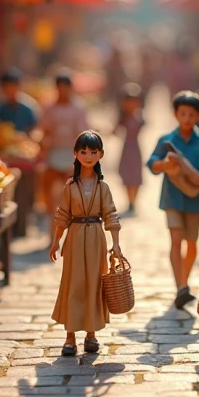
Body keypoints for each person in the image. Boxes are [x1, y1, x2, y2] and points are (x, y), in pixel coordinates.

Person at [49, 131, 122, 356]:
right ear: (75, 154)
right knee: (73, 283)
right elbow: (62, 215)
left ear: (101, 154)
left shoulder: (103, 188)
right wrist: (56, 241)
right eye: (84, 151)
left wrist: (116, 244)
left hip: (96, 239)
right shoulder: (70, 187)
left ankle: (91, 333)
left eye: (93, 151)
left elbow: (111, 215)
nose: (88, 156)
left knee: (94, 283)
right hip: (75, 235)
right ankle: (70, 335)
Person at [147, 90, 199, 309]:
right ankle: (181, 286)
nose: (187, 118)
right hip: (171, 198)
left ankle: (184, 282)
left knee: (192, 244)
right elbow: (151, 163)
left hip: (194, 199)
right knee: (176, 238)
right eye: (183, 114)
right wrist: (163, 165)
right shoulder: (166, 140)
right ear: (175, 114)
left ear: (198, 116)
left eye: (191, 114)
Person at [39, 71, 89, 217]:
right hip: (54, 152)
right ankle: (52, 215)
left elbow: (82, 132)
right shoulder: (50, 108)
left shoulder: (78, 108)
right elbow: (44, 129)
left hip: (71, 154)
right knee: (47, 187)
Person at [115, 82, 144, 214]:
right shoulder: (123, 118)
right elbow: (115, 131)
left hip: (135, 148)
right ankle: (129, 201)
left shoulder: (139, 117)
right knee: (126, 175)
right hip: (126, 149)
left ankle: (134, 201)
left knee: (136, 176)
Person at [0, 68, 39, 134]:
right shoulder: (2, 108)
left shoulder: (29, 107)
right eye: (6, 87)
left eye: (12, 86)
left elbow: (35, 129)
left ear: (18, 86)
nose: (9, 90)